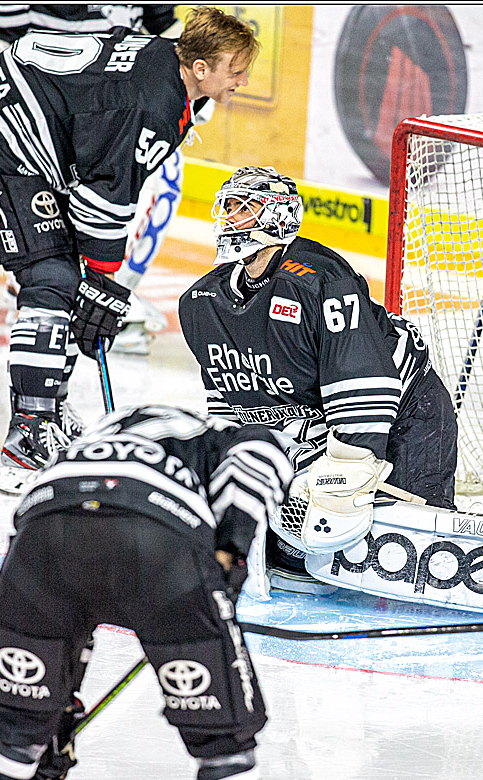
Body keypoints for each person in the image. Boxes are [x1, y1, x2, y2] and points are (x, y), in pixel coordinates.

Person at [0, 405, 294, 780]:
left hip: (44, 526)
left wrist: (53, 709)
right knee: (222, 742)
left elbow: (56, 585)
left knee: (13, 730)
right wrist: (230, 549)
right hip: (157, 538)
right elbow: (259, 454)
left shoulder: (86, 444)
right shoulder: (212, 433)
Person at [0, 7, 258, 494]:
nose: (241, 81)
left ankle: (49, 407)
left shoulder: (166, 66)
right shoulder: (153, 105)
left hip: (26, 128)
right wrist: (106, 285)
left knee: (70, 278)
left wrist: (100, 286)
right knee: (51, 277)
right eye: (235, 71)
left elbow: (101, 177)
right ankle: (29, 434)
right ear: (202, 69)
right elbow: (104, 199)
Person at [178, 166, 458, 582]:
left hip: (404, 412)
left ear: (279, 215)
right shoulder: (200, 302)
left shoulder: (321, 279)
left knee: (411, 537)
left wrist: (348, 466)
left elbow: (366, 382)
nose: (231, 217)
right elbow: (227, 400)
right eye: (229, 207)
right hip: (313, 425)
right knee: (290, 535)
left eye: (246, 207)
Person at [0, 4, 208, 356]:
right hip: (56, 97)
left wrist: (180, 90)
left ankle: (102, 297)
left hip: (122, 92)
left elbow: (163, 27)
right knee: (83, 187)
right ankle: (52, 287)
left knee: (161, 168)